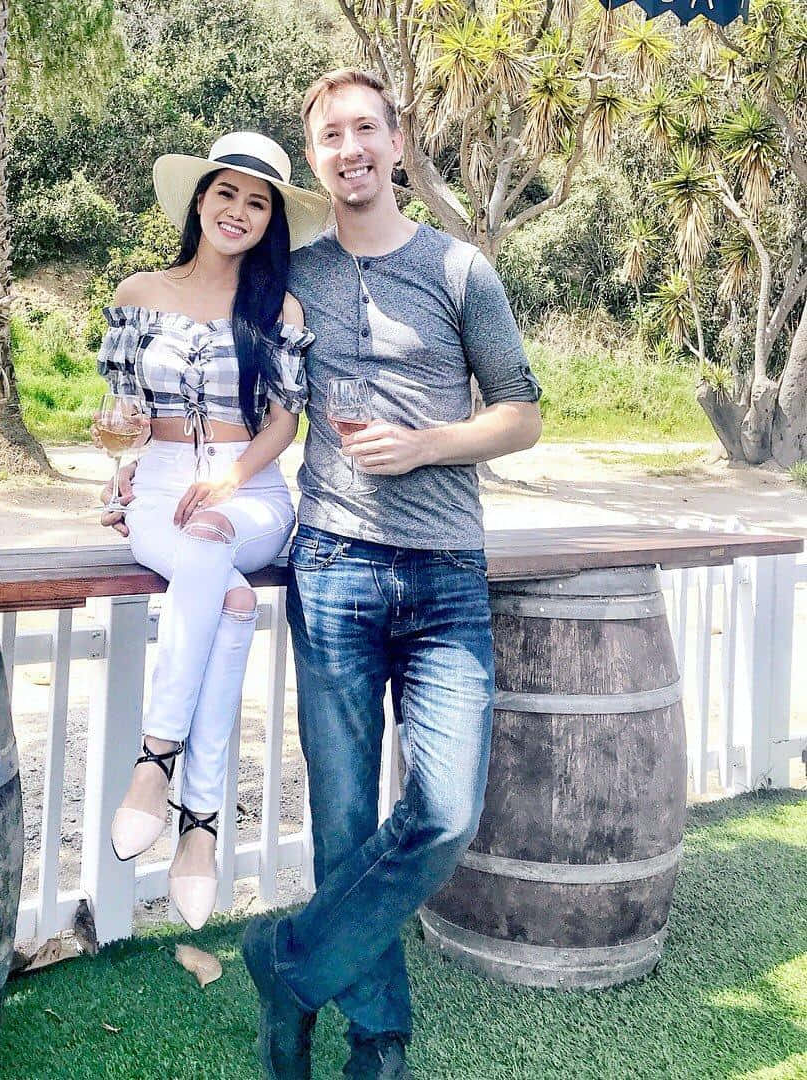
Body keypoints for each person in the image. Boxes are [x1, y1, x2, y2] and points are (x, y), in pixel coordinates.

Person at [235, 70, 544, 1079]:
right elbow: (250, 403)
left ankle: (287, 963)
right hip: (334, 568)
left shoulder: (461, 270)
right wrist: (142, 472)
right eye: (331, 134)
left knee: (446, 811)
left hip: (448, 575)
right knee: (340, 819)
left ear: (397, 141)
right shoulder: (297, 278)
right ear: (315, 156)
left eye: (366, 127)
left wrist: (428, 444)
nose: (351, 146)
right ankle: (378, 1039)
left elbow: (522, 411)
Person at [96, 132, 329, 931]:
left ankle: (153, 760)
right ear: (200, 201)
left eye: (257, 202)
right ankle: (199, 826)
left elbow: (284, 423)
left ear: (272, 221)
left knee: (215, 535)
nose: (239, 211)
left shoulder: (279, 310)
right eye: (226, 194)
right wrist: (123, 466)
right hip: (160, 491)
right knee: (230, 604)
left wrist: (229, 479)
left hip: (252, 493)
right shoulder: (140, 291)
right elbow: (121, 410)